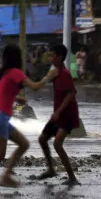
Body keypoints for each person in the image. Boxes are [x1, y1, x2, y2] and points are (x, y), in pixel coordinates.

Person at [0, 45, 56, 195]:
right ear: (17, 58)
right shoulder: (16, 72)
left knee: (24, 144)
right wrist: (49, 76)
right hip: (0, 117)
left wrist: (16, 98)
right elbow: (35, 87)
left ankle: (6, 175)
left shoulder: (4, 73)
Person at [33, 44, 80, 185]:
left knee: (57, 144)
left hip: (67, 115)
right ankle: (51, 169)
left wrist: (58, 112)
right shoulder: (55, 72)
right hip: (58, 114)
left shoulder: (64, 74)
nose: (50, 58)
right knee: (42, 139)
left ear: (59, 57)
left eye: (52, 55)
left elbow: (71, 93)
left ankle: (72, 177)